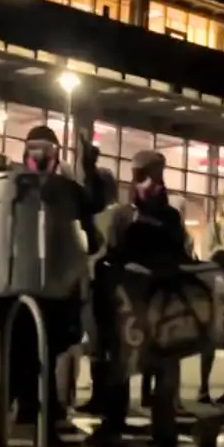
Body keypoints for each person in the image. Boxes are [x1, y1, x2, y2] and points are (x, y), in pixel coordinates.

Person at [0, 125, 104, 447]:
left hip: (49, 290)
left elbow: (91, 214)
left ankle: (33, 424)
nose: (39, 158)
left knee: (37, 360)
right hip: (8, 287)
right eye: (33, 150)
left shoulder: (66, 191)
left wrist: (90, 171)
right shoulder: (5, 188)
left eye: (46, 151)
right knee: (11, 360)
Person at [89, 150, 197, 447]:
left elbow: (180, 256)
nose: (153, 184)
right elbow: (110, 257)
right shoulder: (123, 216)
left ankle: (164, 429)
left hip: (162, 301)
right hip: (128, 302)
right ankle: (113, 425)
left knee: (165, 367)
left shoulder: (170, 217)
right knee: (121, 366)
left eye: (158, 177)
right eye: (146, 177)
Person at [76, 167, 120, 416]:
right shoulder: (89, 216)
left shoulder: (113, 215)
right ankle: (98, 395)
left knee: (104, 346)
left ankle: (104, 398)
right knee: (95, 346)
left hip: (105, 287)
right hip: (90, 287)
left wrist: (93, 260)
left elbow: (111, 247)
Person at [199, 188, 224, 405]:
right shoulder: (212, 228)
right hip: (214, 292)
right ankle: (203, 388)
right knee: (208, 341)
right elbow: (208, 257)